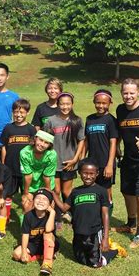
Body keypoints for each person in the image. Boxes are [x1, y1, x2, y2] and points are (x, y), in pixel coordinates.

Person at [53, 159, 119, 267]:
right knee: (79, 259)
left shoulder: (101, 191)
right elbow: (64, 208)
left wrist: (105, 238)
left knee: (95, 264)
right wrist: (53, 194)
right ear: (79, 173)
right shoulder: (75, 191)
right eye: (85, 173)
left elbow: (105, 214)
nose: (88, 177)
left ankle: (113, 251)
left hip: (94, 232)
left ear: (97, 174)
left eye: (91, 174)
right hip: (78, 231)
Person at [44, 92, 85, 226]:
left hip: (69, 163)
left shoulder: (76, 120)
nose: (65, 106)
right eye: (62, 104)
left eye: (68, 104)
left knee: (67, 191)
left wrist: (75, 159)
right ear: (58, 104)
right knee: (55, 191)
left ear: (72, 104)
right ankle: (56, 216)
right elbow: (45, 141)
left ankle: (72, 212)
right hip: (53, 163)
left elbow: (81, 141)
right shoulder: (51, 120)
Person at [116, 78, 139, 248]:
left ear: (138, 92)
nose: (128, 96)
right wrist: (117, 144)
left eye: (132, 93)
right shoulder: (120, 110)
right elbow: (121, 129)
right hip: (128, 160)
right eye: (125, 93)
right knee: (127, 192)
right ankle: (131, 224)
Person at [84, 89, 118, 216]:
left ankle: (107, 218)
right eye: (98, 103)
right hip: (92, 164)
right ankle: (96, 216)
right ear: (94, 102)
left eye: (104, 103)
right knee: (93, 190)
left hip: (105, 164)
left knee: (106, 192)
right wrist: (83, 160)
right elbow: (86, 141)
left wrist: (110, 165)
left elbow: (113, 143)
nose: (101, 106)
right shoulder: (89, 119)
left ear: (110, 103)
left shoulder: (111, 120)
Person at [12, 188, 57, 276]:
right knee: (16, 254)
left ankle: (47, 263)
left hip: (47, 243)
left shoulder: (50, 215)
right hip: (33, 244)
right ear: (33, 201)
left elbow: (48, 229)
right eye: (38, 198)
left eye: (44, 199)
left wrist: (52, 212)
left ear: (50, 203)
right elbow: (25, 235)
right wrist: (24, 251)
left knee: (48, 234)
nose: (40, 201)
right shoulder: (28, 216)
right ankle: (40, 256)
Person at [0, 99, 36, 197]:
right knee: (7, 194)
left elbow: (34, 148)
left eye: (22, 112)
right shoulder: (8, 128)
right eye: (16, 112)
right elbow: (4, 147)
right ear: (12, 112)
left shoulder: (31, 129)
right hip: (10, 166)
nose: (18, 115)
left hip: (26, 167)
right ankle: (6, 212)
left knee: (27, 194)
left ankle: (27, 212)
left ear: (28, 112)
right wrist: (3, 163)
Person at [20, 130, 57, 216]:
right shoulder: (24, 153)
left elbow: (46, 176)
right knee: (27, 207)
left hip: (46, 184)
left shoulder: (52, 155)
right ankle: (26, 228)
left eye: (46, 143)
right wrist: (26, 194)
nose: (42, 144)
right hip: (30, 184)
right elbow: (28, 175)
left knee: (45, 209)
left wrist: (49, 196)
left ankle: (48, 226)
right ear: (35, 138)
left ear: (49, 145)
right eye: (40, 140)